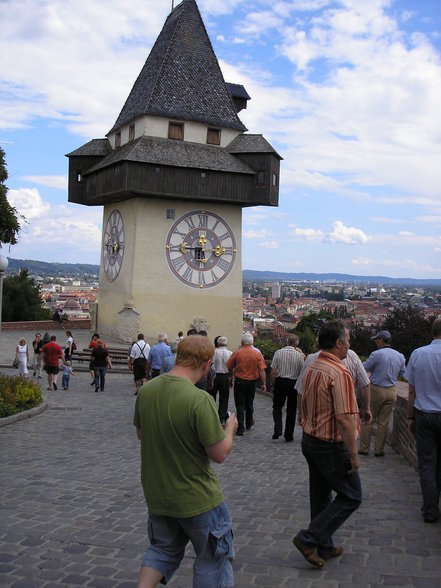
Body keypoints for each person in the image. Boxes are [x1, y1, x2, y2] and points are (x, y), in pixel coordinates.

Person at [133, 335, 238, 588]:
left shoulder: (146, 390)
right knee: (213, 558)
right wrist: (230, 429)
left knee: (162, 550)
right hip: (197, 497)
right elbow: (219, 454)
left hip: (159, 494)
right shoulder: (199, 399)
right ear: (206, 365)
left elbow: (141, 434)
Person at [293, 320, 361, 567]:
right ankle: (308, 538)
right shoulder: (339, 372)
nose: (350, 345)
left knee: (320, 497)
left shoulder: (313, 365)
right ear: (339, 343)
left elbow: (301, 398)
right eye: (349, 340)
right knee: (352, 496)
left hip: (310, 440)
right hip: (331, 444)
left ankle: (324, 546)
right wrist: (353, 455)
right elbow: (344, 418)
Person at [406, 318, 441, 523]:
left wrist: (410, 416)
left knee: (427, 464)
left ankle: (430, 510)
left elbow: (411, 390)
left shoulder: (419, 354)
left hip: (424, 413)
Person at [358, 330, 406, 457]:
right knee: (383, 422)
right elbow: (403, 373)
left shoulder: (377, 354)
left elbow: (364, 367)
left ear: (381, 340)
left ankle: (364, 448)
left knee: (369, 418)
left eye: (376, 340)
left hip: (376, 389)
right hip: (392, 390)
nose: (376, 342)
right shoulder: (400, 355)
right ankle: (379, 450)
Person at [297, 345, 372, 424]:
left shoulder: (311, 359)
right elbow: (365, 384)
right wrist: (366, 408)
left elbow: (301, 390)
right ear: (339, 342)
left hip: (315, 420)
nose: (348, 344)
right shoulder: (352, 357)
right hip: (345, 420)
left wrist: (301, 413)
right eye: (347, 340)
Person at [226, 333, 267, 436]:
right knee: (249, 403)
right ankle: (248, 423)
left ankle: (240, 428)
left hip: (240, 381)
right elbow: (261, 370)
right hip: (252, 382)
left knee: (240, 405)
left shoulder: (237, 353)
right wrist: (264, 383)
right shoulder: (257, 354)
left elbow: (229, 366)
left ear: (242, 342)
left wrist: (231, 375)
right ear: (252, 342)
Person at [270, 334, 305, 442]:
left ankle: (278, 429)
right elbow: (302, 371)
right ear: (296, 343)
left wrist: (272, 384)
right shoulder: (299, 356)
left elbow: (273, 371)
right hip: (293, 384)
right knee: (291, 410)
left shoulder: (278, 353)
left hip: (280, 382)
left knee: (277, 407)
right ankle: (288, 435)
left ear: (287, 342)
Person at [211, 336, 233, 421]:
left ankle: (212, 414)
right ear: (226, 343)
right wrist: (232, 378)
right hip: (226, 376)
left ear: (217, 343)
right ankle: (221, 417)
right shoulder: (230, 353)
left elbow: (211, 365)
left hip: (215, 376)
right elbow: (232, 368)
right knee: (224, 397)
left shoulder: (214, 353)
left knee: (212, 396)